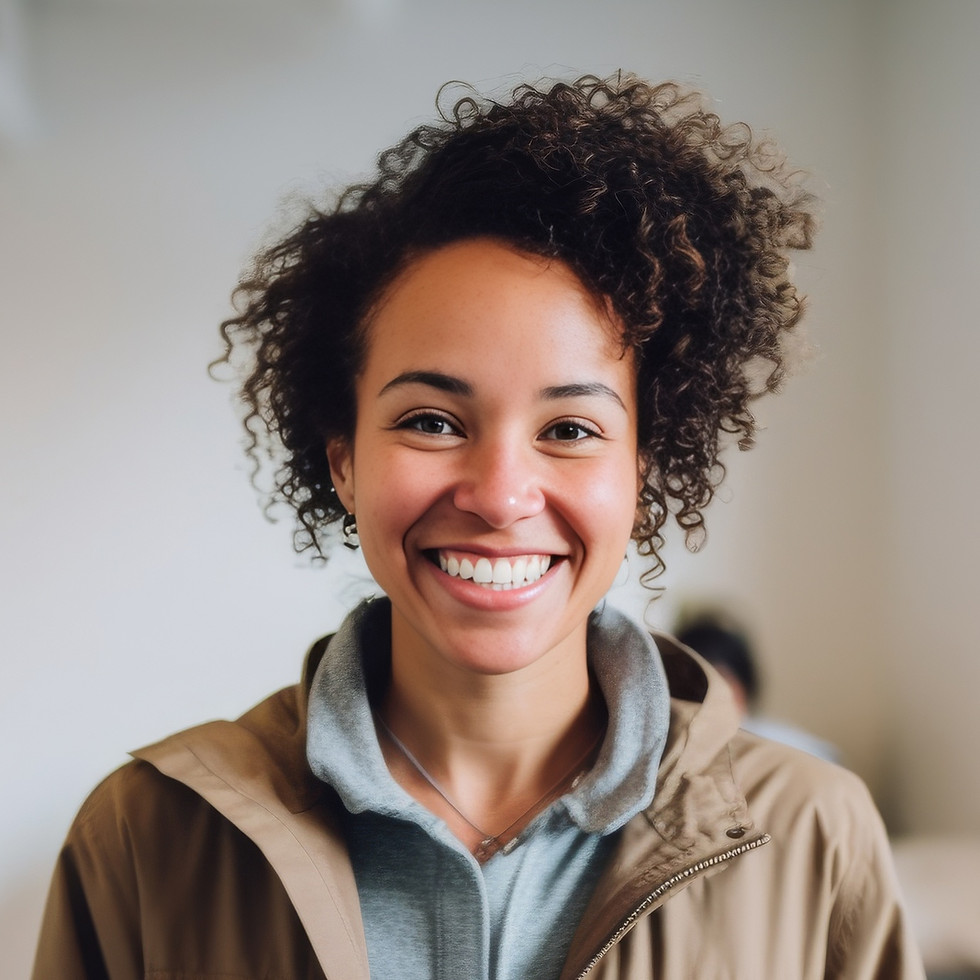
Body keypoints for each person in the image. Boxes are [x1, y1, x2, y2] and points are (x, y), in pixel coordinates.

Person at [32, 74, 923, 979]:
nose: (500, 496)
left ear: (644, 470)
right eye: (431, 420)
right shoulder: (145, 838)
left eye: (570, 430)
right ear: (342, 457)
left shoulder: (813, 835)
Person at [675, 611, 842, 762]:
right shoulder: (673, 747)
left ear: (743, 688)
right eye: (693, 686)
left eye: (719, 683)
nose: (706, 698)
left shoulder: (792, 750)